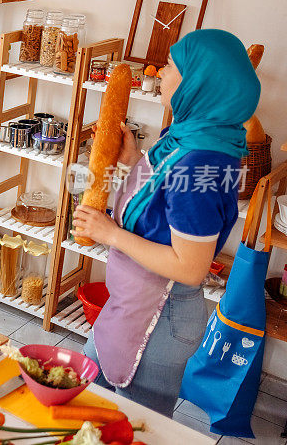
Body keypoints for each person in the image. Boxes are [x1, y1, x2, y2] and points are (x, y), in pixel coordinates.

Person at [73, 29, 261, 416]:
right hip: (131, 306)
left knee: (134, 426)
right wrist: (131, 160)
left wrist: (110, 234)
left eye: (172, 66)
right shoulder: (187, 134)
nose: (158, 73)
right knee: (88, 403)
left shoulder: (201, 162)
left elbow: (190, 268)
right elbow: (162, 199)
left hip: (159, 319)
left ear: (197, 81)